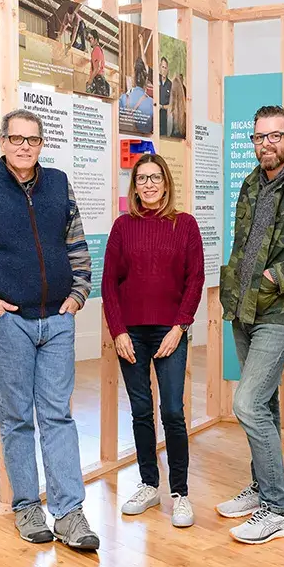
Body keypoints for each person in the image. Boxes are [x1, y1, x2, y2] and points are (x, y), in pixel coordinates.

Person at [0, 108, 100, 551]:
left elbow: (77, 244)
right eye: (16, 139)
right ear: (4, 142)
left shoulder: (58, 183)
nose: (24, 146)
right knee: (16, 420)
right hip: (8, 323)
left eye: (32, 139)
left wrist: (78, 295)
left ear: (41, 144)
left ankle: (70, 514)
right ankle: (27, 506)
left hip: (57, 320)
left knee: (58, 416)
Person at [217, 105, 284, 545]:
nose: (266, 144)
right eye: (259, 137)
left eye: (275, 136)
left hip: (282, 309)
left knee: (248, 403)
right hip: (243, 307)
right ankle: (261, 490)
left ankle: (279, 510)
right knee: (266, 405)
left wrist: (279, 276)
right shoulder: (251, 183)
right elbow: (244, 246)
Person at [102, 154, 205, 529]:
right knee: (141, 412)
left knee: (173, 413)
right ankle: (149, 484)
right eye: (141, 178)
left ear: (166, 182)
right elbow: (109, 283)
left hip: (170, 332)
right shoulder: (122, 227)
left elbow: (195, 280)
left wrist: (180, 327)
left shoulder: (186, 224)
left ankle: (180, 493)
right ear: (134, 186)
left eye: (155, 177)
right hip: (131, 333)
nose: (148, 184)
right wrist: (117, 331)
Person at [85, 29, 109, 97]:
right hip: (99, 80)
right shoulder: (99, 50)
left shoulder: (96, 50)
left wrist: (90, 80)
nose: (90, 40)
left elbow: (97, 68)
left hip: (97, 80)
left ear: (96, 39)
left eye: (91, 38)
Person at [158, 56, 171, 134]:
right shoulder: (155, 79)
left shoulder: (170, 84)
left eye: (165, 68)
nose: (164, 70)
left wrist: (162, 107)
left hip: (164, 118)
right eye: (163, 67)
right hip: (154, 117)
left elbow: (172, 105)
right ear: (160, 67)